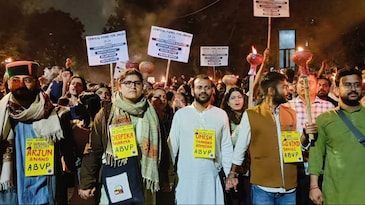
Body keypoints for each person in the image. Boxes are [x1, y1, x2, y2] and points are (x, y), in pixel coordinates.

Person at [79, 69, 161, 205]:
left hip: (144, 177)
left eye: (137, 83)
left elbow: (161, 146)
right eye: (128, 83)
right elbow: (94, 148)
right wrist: (87, 182)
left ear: (142, 86)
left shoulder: (152, 113)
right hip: (116, 176)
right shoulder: (107, 113)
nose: (133, 86)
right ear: (119, 86)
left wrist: (167, 177)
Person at [226, 72, 308, 205]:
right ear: (271, 91)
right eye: (284, 87)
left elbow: (299, 146)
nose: (288, 90)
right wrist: (232, 173)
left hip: (289, 187)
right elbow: (241, 147)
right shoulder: (251, 114)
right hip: (262, 187)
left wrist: (306, 135)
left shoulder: (291, 113)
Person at [0, 61, 75, 204]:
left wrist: (82, 183)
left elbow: (70, 153)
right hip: (12, 194)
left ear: (37, 83)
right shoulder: (2, 115)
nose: (21, 85)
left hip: (46, 194)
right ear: (8, 84)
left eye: (27, 80)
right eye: (15, 80)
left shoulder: (57, 114)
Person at [168, 74, 233, 205]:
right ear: (192, 91)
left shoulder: (221, 115)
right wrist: (169, 175)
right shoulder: (181, 115)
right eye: (199, 87)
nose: (203, 91)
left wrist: (230, 175)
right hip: (186, 178)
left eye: (207, 87)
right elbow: (172, 146)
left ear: (212, 90)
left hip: (211, 177)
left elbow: (226, 146)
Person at [308, 68, 365, 205]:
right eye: (347, 85)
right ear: (336, 89)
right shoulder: (324, 119)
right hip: (335, 194)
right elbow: (316, 154)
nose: (353, 89)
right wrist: (314, 186)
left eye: (357, 85)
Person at [288, 72, 334, 205]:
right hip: (297, 168)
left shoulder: (328, 107)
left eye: (310, 83)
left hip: (321, 168)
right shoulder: (287, 107)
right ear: (296, 85)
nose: (306, 86)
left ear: (316, 85)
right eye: (302, 83)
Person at [220, 86, 250, 205]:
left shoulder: (249, 115)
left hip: (248, 166)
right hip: (231, 165)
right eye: (233, 98)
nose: (237, 100)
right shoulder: (224, 118)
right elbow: (228, 142)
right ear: (227, 102)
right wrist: (242, 128)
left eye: (239, 97)